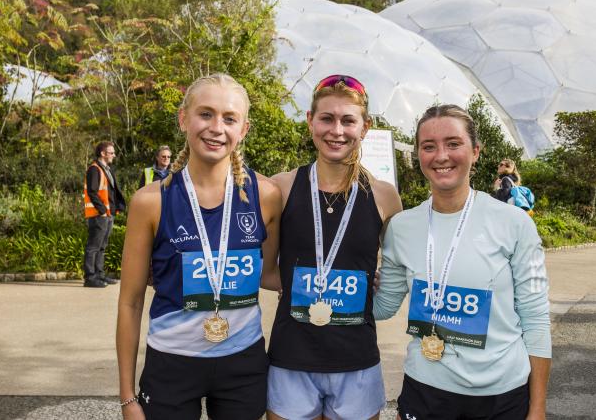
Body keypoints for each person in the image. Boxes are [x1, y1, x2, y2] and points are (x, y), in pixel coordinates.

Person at [116, 73, 282, 420]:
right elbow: (130, 302)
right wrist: (128, 397)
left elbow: (271, 274)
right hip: (171, 364)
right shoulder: (150, 202)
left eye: (229, 118)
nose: (216, 127)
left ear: (244, 129)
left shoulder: (265, 196)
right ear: (183, 119)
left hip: (244, 364)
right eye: (205, 114)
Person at [375, 104, 551, 420]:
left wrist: (537, 408)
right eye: (429, 147)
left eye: (453, 144)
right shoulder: (401, 227)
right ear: (418, 155)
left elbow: (535, 319)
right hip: (426, 390)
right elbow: (382, 306)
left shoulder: (516, 224)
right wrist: (318, 289)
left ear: (476, 152)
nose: (441, 155)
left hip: (501, 395)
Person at [266, 74, 402, 420]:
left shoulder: (384, 195)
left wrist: (378, 283)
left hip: (356, 359)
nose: (336, 131)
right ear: (310, 121)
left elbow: (399, 271)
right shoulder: (280, 188)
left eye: (348, 120)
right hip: (291, 356)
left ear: (365, 127)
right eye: (326, 118)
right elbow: (265, 272)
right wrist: (305, 286)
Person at [83, 141, 126, 288]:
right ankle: (90, 277)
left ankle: (99, 275)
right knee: (93, 247)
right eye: (111, 152)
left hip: (108, 214)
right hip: (98, 215)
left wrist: (115, 208)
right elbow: (92, 192)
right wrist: (102, 211)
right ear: (103, 153)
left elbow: (112, 191)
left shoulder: (106, 169)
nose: (114, 155)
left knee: (102, 246)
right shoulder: (94, 169)